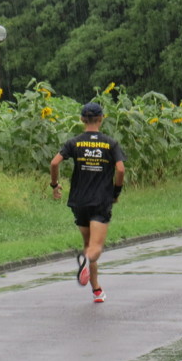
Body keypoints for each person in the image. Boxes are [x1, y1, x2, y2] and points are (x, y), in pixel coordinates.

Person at [49, 102, 126, 303]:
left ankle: (97, 290)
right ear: (101, 119)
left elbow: (54, 162)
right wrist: (116, 191)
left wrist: (54, 185)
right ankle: (85, 262)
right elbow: (120, 169)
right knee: (96, 247)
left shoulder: (74, 142)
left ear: (83, 120)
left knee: (88, 244)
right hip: (101, 200)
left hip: (79, 200)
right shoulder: (110, 144)